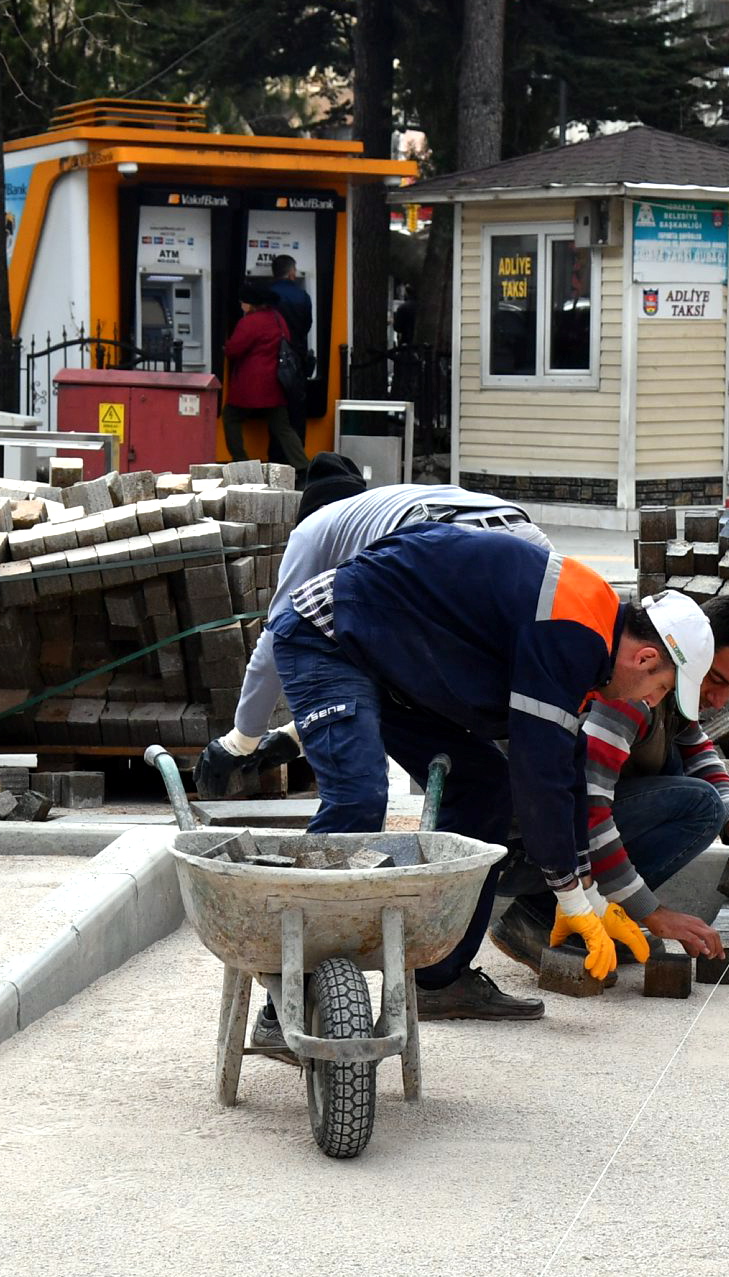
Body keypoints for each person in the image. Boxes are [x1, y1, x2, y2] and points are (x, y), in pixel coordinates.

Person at [265, 524, 685, 1023]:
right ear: (646, 657)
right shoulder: (574, 630)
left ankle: (439, 979)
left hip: (394, 662)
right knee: (358, 798)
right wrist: (568, 893)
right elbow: (537, 772)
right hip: (330, 635)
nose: (649, 702)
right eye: (659, 688)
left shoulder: (591, 636)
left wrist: (590, 893)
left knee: (486, 791)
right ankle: (285, 1004)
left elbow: (564, 764)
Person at [197, 457, 547, 803]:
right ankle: (529, 835)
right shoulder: (386, 505)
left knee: (415, 698)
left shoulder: (314, 528)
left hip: (445, 550)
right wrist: (294, 736)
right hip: (529, 542)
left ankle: (488, 818)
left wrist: (242, 740)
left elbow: (278, 637)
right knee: (534, 689)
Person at [487, 591, 729, 973]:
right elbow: (587, 809)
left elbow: (697, 748)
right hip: (524, 851)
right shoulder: (633, 692)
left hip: (550, 840)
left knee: (688, 777)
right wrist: (653, 913)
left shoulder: (670, 688)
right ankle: (540, 916)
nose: (719, 699)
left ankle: (586, 912)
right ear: (693, 651)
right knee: (700, 805)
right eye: (716, 679)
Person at [221, 277, 307, 471]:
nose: (241, 305)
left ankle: (240, 461)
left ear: (250, 304)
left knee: (231, 417)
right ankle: (303, 465)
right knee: (283, 427)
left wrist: (225, 347)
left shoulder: (249, 322)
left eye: (242, 302)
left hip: (251, 383)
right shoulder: (277, 318)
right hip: (276, 383)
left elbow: (233, 350)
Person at [265, 253, 315, 351]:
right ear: (291, 273)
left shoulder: (264, 295)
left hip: (268, 352)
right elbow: (307, 325)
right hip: (294, 352)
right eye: (295, 270)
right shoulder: (303, 296)